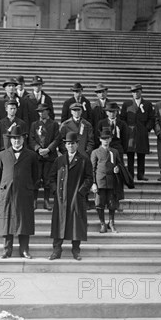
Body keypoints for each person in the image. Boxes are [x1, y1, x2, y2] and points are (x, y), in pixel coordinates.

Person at [0, 125, 39, 259]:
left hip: (24, 193)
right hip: (7, 193)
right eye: (14, 139)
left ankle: (24, 250)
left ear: (23, 139)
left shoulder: (31, 155)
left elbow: (36, 175)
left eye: (18, 138)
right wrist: (5, 185)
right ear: (10, 140)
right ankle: (7, 250)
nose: (16, 141)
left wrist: (28, 186)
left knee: (24, 221)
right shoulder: (2, 154)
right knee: (7, 221)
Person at [49, 131, 94, 260]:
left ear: (77, 144)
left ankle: (76, 250)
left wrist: (81, 192)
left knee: (76, 224)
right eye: (68, 144)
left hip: (76, 196)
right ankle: (57, 250)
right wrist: (55, 191)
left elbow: (89, 178)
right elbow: (51, 178)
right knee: (59, 223)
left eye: (73, 144)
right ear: (65, 145)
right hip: (61, 197)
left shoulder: (84, 160)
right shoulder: (59, 160)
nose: (70, 146)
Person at [120, 84, 155, 181]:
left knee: (141, 154)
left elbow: (151, 118)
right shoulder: (127, 104)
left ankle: (141, 174)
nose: (135, 94)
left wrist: (146, 129)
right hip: (130, 133)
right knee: (130, 155)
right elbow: (122, 118)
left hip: (141, 132)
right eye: (133, 92)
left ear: (141, 92)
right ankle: (130, 175)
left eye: (137, 91)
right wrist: (126, 129)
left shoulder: (147, 104)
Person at [91, 127, 122, 233]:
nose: (105, 140)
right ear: (100, 139)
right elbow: (92, 169)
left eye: (107, 138)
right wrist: (93, 183)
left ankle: (111, 222)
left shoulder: (114, 152)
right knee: (99, 203)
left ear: (110, 139)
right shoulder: (95, 152)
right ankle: (102, 223)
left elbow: (119, 164)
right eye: (103, 138)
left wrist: (118, 169)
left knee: (112, 203)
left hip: (112, 181)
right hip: (100, 181)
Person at [29, 103, 59, 211]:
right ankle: (34, 200)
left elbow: (57, 139)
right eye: (39, 111)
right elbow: (31, 139)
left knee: (47, 179)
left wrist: (48, 149)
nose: (41, 113)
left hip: (49, 156)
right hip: (37, 156)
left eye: (43, 111)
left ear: (48, 111)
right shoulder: (34, 124)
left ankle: (46, 201)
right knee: (36, 179)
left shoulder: (54, 124)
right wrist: (38, 149)